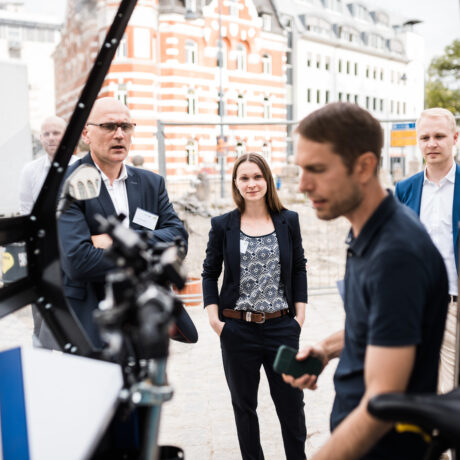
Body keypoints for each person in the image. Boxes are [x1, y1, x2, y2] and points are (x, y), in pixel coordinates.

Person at [284, 103, 449, 460]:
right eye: (301, 169)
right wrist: (326, 349)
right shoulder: (368, 232)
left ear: (364, 166)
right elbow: (383, 324)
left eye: (317, 169)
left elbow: (381, 403)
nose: (303, 184)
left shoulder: (396, 255)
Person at [58, 98, 192, 349]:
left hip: (146, 322)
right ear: (86, 133)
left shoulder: (152, 183)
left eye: (126, 127)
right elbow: (78, 261)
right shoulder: (69, 183)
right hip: (90, 322)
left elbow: (179, 240)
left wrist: (123, 238)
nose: (119, 134)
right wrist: (149, 254)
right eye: (109, 126)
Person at [202, 153, 308, 460]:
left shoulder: (289, 220)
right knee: (245, 408)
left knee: (292, 405)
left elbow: (299, 267)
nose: (251, 184)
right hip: (237, 330)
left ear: (268, 180)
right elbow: (209, 273)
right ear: (235, 182)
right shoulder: (222, 225)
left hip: (282, 328)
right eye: (244, 178)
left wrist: (300, 315)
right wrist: (215, 320)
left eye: (257, 177)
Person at [395, 108, 459, 393]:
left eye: (439, 136)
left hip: (453, 308)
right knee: (415, 392)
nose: (431, 143)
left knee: (448, 392)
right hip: (413, 306)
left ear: (455, 137)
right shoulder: (404, 189)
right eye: (425, 137)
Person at [18, 115, 69, 346]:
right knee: (41, 312)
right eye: (46, 133)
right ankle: (41, 357)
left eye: (56, 132)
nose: (50, 138)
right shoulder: (30, 171)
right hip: (44, 251)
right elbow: (27, 213)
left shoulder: (82, 166)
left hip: (75, 248)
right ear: (40, 138)